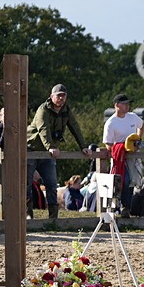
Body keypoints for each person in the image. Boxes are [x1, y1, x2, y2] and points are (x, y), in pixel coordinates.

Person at [25, 83, 89, 220]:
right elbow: (43, 129)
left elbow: (74, 127)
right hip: (32, 149)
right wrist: (50, 146)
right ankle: (27, 215)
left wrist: (83, 146)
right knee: (27, 183)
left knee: (51, 184)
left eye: (63, 96)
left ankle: (53, 218)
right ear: (51, 96)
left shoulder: (66, 110)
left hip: (48, 153)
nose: (61, 98)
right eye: (58, 95)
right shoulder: (43, 110)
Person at [103, 93, 144, 213]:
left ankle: (127, 208)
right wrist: (121, 148)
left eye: (128, 104)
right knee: (122, 180)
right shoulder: (111, 122)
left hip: (133, 155)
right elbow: (108, 144)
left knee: (132, 181)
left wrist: (138, 139)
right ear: (117, 105)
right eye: (124, 104)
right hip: (119, 157)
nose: (127, 106)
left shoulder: (133, 117)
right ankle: (120, 206)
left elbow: (142, 126)